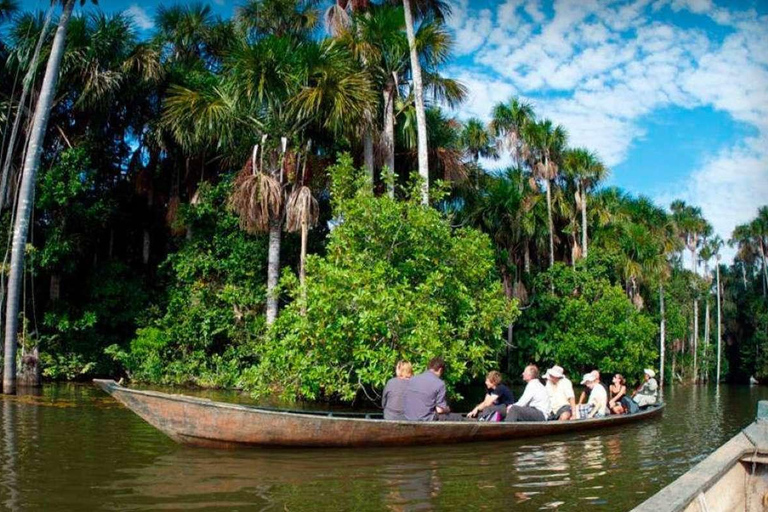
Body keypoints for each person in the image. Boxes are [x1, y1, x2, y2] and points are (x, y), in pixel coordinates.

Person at [403, 357, 462, 421]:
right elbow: (440, 410)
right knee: (458, 417)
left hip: (408, 417)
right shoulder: (440, 384)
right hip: (425, 419)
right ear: (440, 370)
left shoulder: (413, 379)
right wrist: (447, 409)